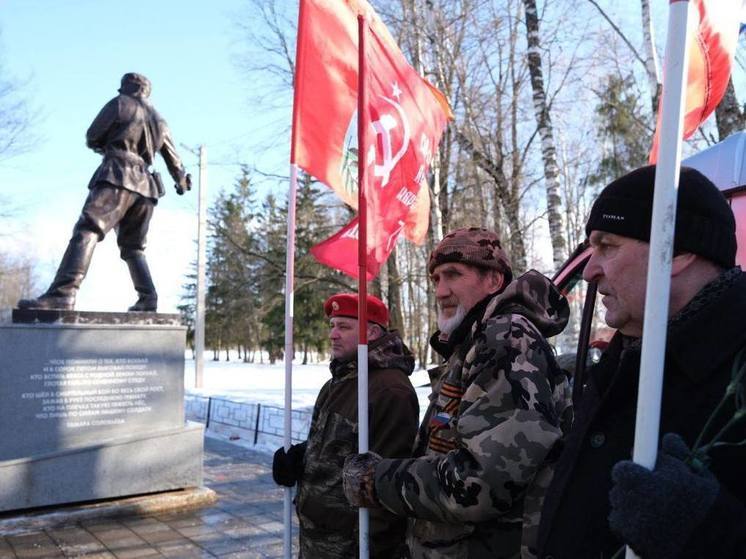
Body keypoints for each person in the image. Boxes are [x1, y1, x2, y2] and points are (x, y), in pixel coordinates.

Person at [537, 165, 746, 558]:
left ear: (678, 250)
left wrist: (707, 532)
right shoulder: (622, 357)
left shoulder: (736, 366)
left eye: (607, 245)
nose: (588, 269)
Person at [342, 227, 572, 558]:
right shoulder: (474, 343)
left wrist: (376, 480)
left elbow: (479, 484)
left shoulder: (505, 339)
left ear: (493, 280)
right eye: (435, 278)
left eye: (453, 275)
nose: (440, 290)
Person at [18, 72, 191, 312]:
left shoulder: (120, 104)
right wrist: (181, 180)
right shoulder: (160, 120)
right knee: (133, 247)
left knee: (87, 230)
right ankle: (148, 298)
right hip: (146, 188)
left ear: (126, 88)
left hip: (117, 175)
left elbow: (93, 136)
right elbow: (175, 162)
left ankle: (63, 293)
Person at [271, 293, 419, 559]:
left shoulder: (390, 390)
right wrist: (299, 459)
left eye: (344, 327)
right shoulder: (337, 382)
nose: (333, 335)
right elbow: (335, 445)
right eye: (332, 326)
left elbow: (388, 479)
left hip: (353, 546)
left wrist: (372, 548)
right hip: (319, 539)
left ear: (372, 333)